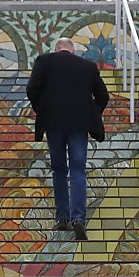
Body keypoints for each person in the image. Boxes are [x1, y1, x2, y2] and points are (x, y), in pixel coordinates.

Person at [25, 37, 110, 241]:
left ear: (57, 49)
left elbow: (31, 89)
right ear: (72, 51)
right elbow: (103, 95)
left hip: (53, 122)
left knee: (59, 170)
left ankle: (62, 217)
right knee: (78, 169)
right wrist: (92, 113)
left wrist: (43, 109)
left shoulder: (44, 61)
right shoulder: (88, 67)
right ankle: (78, 218)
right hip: (80, 125)